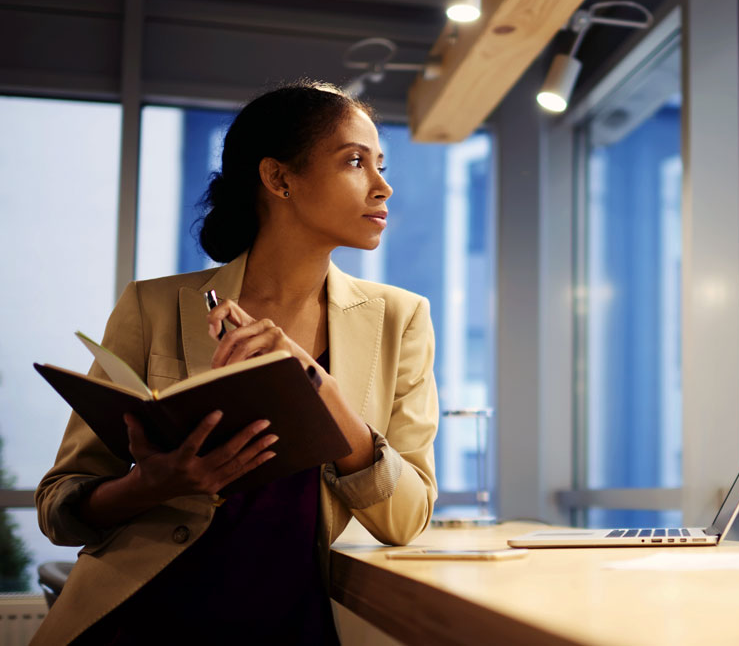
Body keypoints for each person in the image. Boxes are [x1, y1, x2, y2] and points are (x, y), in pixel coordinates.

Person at [32, 81, 439, 645]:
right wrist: (149, 485)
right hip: (141, 618)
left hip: (294, 623)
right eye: (354, 161)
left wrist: (318, 386)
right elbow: (58, 506)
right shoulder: (153, 307)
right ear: (278, 179)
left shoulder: (402, 318)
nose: (382, 186)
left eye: (380, 164)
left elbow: (406, 519)